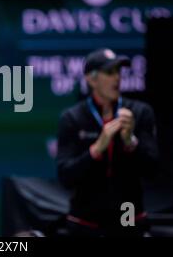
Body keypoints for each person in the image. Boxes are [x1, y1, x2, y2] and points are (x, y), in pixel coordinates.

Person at [57, 48, 159, 237]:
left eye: (119, 72)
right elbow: (65, 176)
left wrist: (130, 141)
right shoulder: (72, 118)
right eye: (109, 73)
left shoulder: (140, 112)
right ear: (91, 79)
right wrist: (96, 149)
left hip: (128, 220)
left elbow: (153, 170)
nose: (117, 78)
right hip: (85, 224)